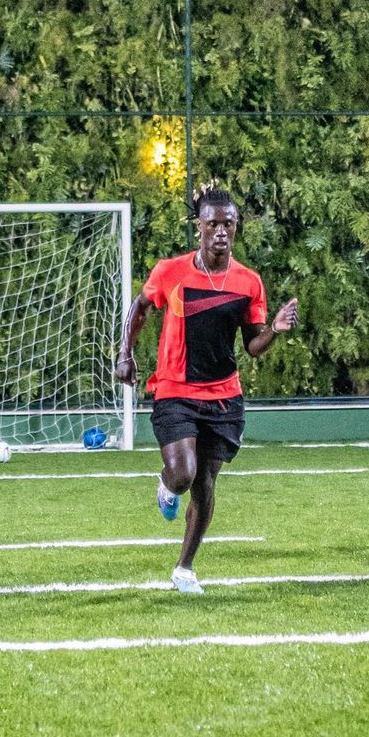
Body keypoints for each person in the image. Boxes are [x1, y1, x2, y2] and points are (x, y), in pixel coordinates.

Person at [115, 183, 299, 595]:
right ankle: (166, 483)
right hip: (175, 390)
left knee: (206, 483)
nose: (220, 231)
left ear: (236, 229)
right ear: (198, 227)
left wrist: (274, 329)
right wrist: (125, 353)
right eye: (212, 223)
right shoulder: (171, 272)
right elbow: (139, 308)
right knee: (182, 475)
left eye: (227, 224)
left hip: (223, 397)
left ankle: (185, 568)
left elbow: (252, 346)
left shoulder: (249, 282)